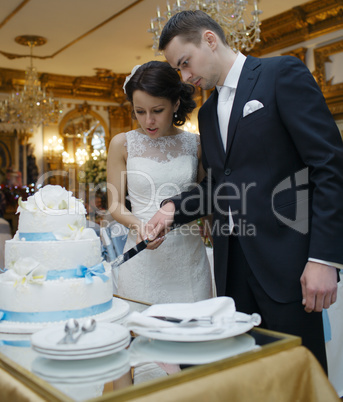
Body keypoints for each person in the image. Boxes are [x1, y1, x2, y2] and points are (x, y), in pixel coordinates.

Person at [146, 10, 343, 373]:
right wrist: (173, 209)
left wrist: (324, 259)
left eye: (185, 63)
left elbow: (329, 166)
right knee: (248, 378)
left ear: (209, 39)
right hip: (233, 266)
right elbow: (222, 185)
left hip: (288, 261)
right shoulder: (206, 114)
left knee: (299, 376)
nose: (186, 78)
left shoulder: (281, 74)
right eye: (179, 70)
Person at [106, 60, 213, 305]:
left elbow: (206, 195)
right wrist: (138, 226)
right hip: (142, 257)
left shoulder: (195, 144)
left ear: (175, 104)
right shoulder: (122, 144)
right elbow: (115, 205)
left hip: (188, 259)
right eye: (140, 111)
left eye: (157, 110)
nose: (148, 121)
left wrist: (207, 220)